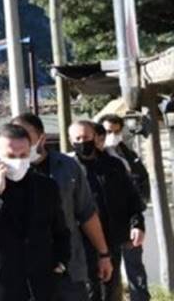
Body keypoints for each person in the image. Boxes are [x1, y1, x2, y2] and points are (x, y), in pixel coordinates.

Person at [0, 123, 71, 300]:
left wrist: (60, 263)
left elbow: (60, 231)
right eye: (10, 155)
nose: (18, 160)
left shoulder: (45, 186)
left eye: (23, 155)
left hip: (39, 285)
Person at [11, 113, 113, 300]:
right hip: (23, 270)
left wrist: (103, 254)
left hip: (67, 268)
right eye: (15, 134)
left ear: (41, 137)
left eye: (25, 134)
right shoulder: (6, 172)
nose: (20, 140)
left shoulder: (67, 167)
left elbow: (87, 213)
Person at [69, 120, 146, 301]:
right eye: (77, 138)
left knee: (111, 289)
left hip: (112, 239)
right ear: (71, 141)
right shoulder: (69, 169)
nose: (82, 141)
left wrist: (137, 224)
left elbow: (132, 198)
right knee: (89, 291)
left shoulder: (113, 165)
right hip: (82, 242)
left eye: (86, 137)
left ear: (95, 137)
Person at [100, 114, 151, 301]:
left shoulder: (128, 155)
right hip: (105, 226)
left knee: (135, 269)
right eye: (107, 131)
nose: (112, 135)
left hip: (130, 221)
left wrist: (137, 218)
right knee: (109, 274)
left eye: (116, 131)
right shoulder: (94, 157)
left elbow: (140, 184)